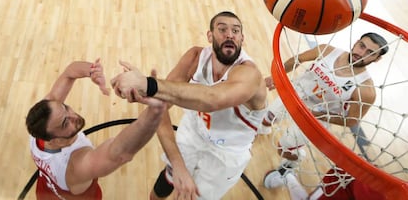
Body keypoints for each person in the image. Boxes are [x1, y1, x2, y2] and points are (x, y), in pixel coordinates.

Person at [110, 11, 268, 200]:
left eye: (235, 31)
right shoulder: (195, 58)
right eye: (222, 29)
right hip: (193, 131)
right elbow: (160, 110)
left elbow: (212, 99)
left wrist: (148, 84)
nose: (229, 34)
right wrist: (178, 165)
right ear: (209, 36)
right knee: (168, 177)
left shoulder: (250, 75)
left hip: (226, 154)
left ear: (242, 38)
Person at [260, 33, 389, 191]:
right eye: (362, 46)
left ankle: (295, 161)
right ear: (355, 43)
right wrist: (275, 76)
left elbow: (352, 120)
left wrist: (318, 115)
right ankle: (260, 129)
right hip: (296, 94)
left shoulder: (366, 89)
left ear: (376, 59)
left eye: (370, 53)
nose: (361, 53)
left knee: (283, 148)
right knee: (266, 119)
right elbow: (297, 59)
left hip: (318, 116)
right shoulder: (327, 51)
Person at [26, 59, 165, 199]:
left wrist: (92, 71)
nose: (73, 115)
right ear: (56, 141)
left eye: (65, 107)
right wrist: (155, 111)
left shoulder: (40, 126)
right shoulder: (76, 166)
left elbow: (69, 72)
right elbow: (121, 153)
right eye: (65, 123)